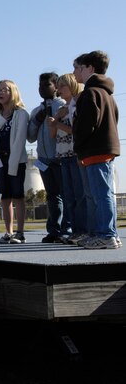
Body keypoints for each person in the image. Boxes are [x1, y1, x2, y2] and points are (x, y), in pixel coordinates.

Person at [72, 51, 120, 249]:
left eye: (78, 68)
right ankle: (106, 233)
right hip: (104, 148)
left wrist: (79, 145)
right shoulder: (106, 93)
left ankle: (106, 234)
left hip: (95, 150)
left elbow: (85, 126)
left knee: (101, 194)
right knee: (101, 194)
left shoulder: (91, 93)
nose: (75, 72)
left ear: (90, 68)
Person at [0, 80, 29, 244]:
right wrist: (1, 119)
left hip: (16, 160)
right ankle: (8, 232)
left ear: (13, 92)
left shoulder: (21, 113)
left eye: (5, 89)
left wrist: (13, 164)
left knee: (18, 195)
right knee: (5, 197)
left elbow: (20, 140)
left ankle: (20, 232)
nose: (1, 93)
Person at [47, 74, 88, 245]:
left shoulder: (77, 105)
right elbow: (53, 134)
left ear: (72, 86)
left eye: (62, 86)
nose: (59, 90)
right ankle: (72, 230)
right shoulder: (61, 108)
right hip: (63, 155)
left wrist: (57, 124)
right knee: (68, 195)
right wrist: (55, 120)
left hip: (76, 154)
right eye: (58, 86)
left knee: (80, 194)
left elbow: (75, 131)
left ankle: (83, 230)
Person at [27, 72, 67, 243]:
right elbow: (30, 137)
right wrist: (37, 119)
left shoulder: (63, 105)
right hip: (43, 160)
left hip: (60, 158)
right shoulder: (37, 110)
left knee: (66, 195)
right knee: (52, 196)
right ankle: (54, 230)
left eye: (46, 85)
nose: (42, 89)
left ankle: (67, 230)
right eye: (40, 85)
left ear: (56, 86)